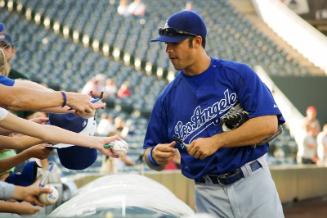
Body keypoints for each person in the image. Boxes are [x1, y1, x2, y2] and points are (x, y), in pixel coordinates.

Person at [143, 10, 284, 217]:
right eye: (166, 44)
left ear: (197, 41)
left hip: (252, 181)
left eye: (174, 43)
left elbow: (269, 124)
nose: (168, 50)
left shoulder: (237, 74)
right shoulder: (167, 99)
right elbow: (147, 154)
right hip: (207, 192)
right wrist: (154, 155)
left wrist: (217, 141)